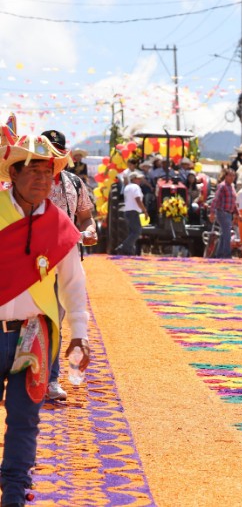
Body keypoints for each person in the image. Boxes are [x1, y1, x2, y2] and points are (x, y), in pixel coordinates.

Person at [0, 132, 91, 506]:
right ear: (14, 173)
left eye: (48, 172)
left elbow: (73, 282)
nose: (42, 179)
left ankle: (14, 494)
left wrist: (79, 334)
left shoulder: (59, 226)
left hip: (35, 335)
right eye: (34, 171)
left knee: (25, 421)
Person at [41, 129, 99, 402]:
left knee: (55, 322)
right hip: (33, 262)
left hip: (66, 261)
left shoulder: (75, 183)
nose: (53, 155)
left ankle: (50, 380)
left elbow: (86, 216)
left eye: (57, 150)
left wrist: (89, 231)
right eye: (47, 149)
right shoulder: (30, 181)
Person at [208, 169, 241, 259]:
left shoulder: (232, 187)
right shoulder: (222, 186)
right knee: (227, 234)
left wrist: (238, 213)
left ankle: (219, 254)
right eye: (230, 175)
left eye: (233, 176)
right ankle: (226, 255)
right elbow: (216, 199)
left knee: (224, 234)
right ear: (225, 176)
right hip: (222, 212)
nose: (232, 178)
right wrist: (212, 212)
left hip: (229, 214)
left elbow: (233, 202)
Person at [114, 172, 148, 255]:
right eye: (138, 178)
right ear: (133, 179)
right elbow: (137, 199)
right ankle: (123, 247)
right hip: (133, 212)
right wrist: (144, 210)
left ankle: (130, 251)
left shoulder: (127, 187)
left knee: (132, 232)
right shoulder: (135, 187)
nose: (140, 180)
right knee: (137, 232)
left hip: (127, 211)